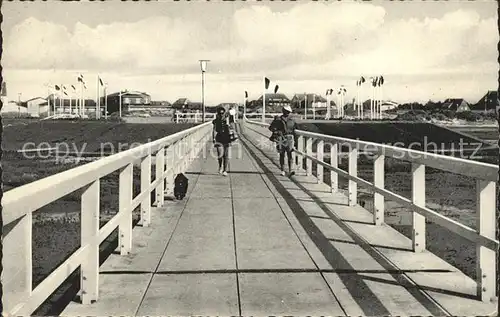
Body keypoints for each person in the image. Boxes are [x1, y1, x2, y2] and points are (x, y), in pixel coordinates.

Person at [269, 105, 298, 176]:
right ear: (283, 111)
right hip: (280, 138)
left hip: (289, 138)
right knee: (282, 154)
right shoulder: (277, 120)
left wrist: (296, 142)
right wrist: (276, 131)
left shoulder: (292, 121)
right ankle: (282, 170)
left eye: (289, 112)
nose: (287, 113)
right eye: (286, 111)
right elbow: (270, 128)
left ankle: (290, 170)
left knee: (290, 154)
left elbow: (295, 131)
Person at [212, 106, 231, 176]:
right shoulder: (215, 121)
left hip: (226, 138)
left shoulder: (227, 120)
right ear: (218, 114)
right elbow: (214, 130)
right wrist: (213, 138)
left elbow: (230, 128)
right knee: (220, 155)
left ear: (224, 113)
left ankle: (225, 170)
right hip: (219, 138)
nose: (221, 115)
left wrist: (228, 124)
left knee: (225, 155)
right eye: (220, 113)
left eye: (222, 113)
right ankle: (220, 166)